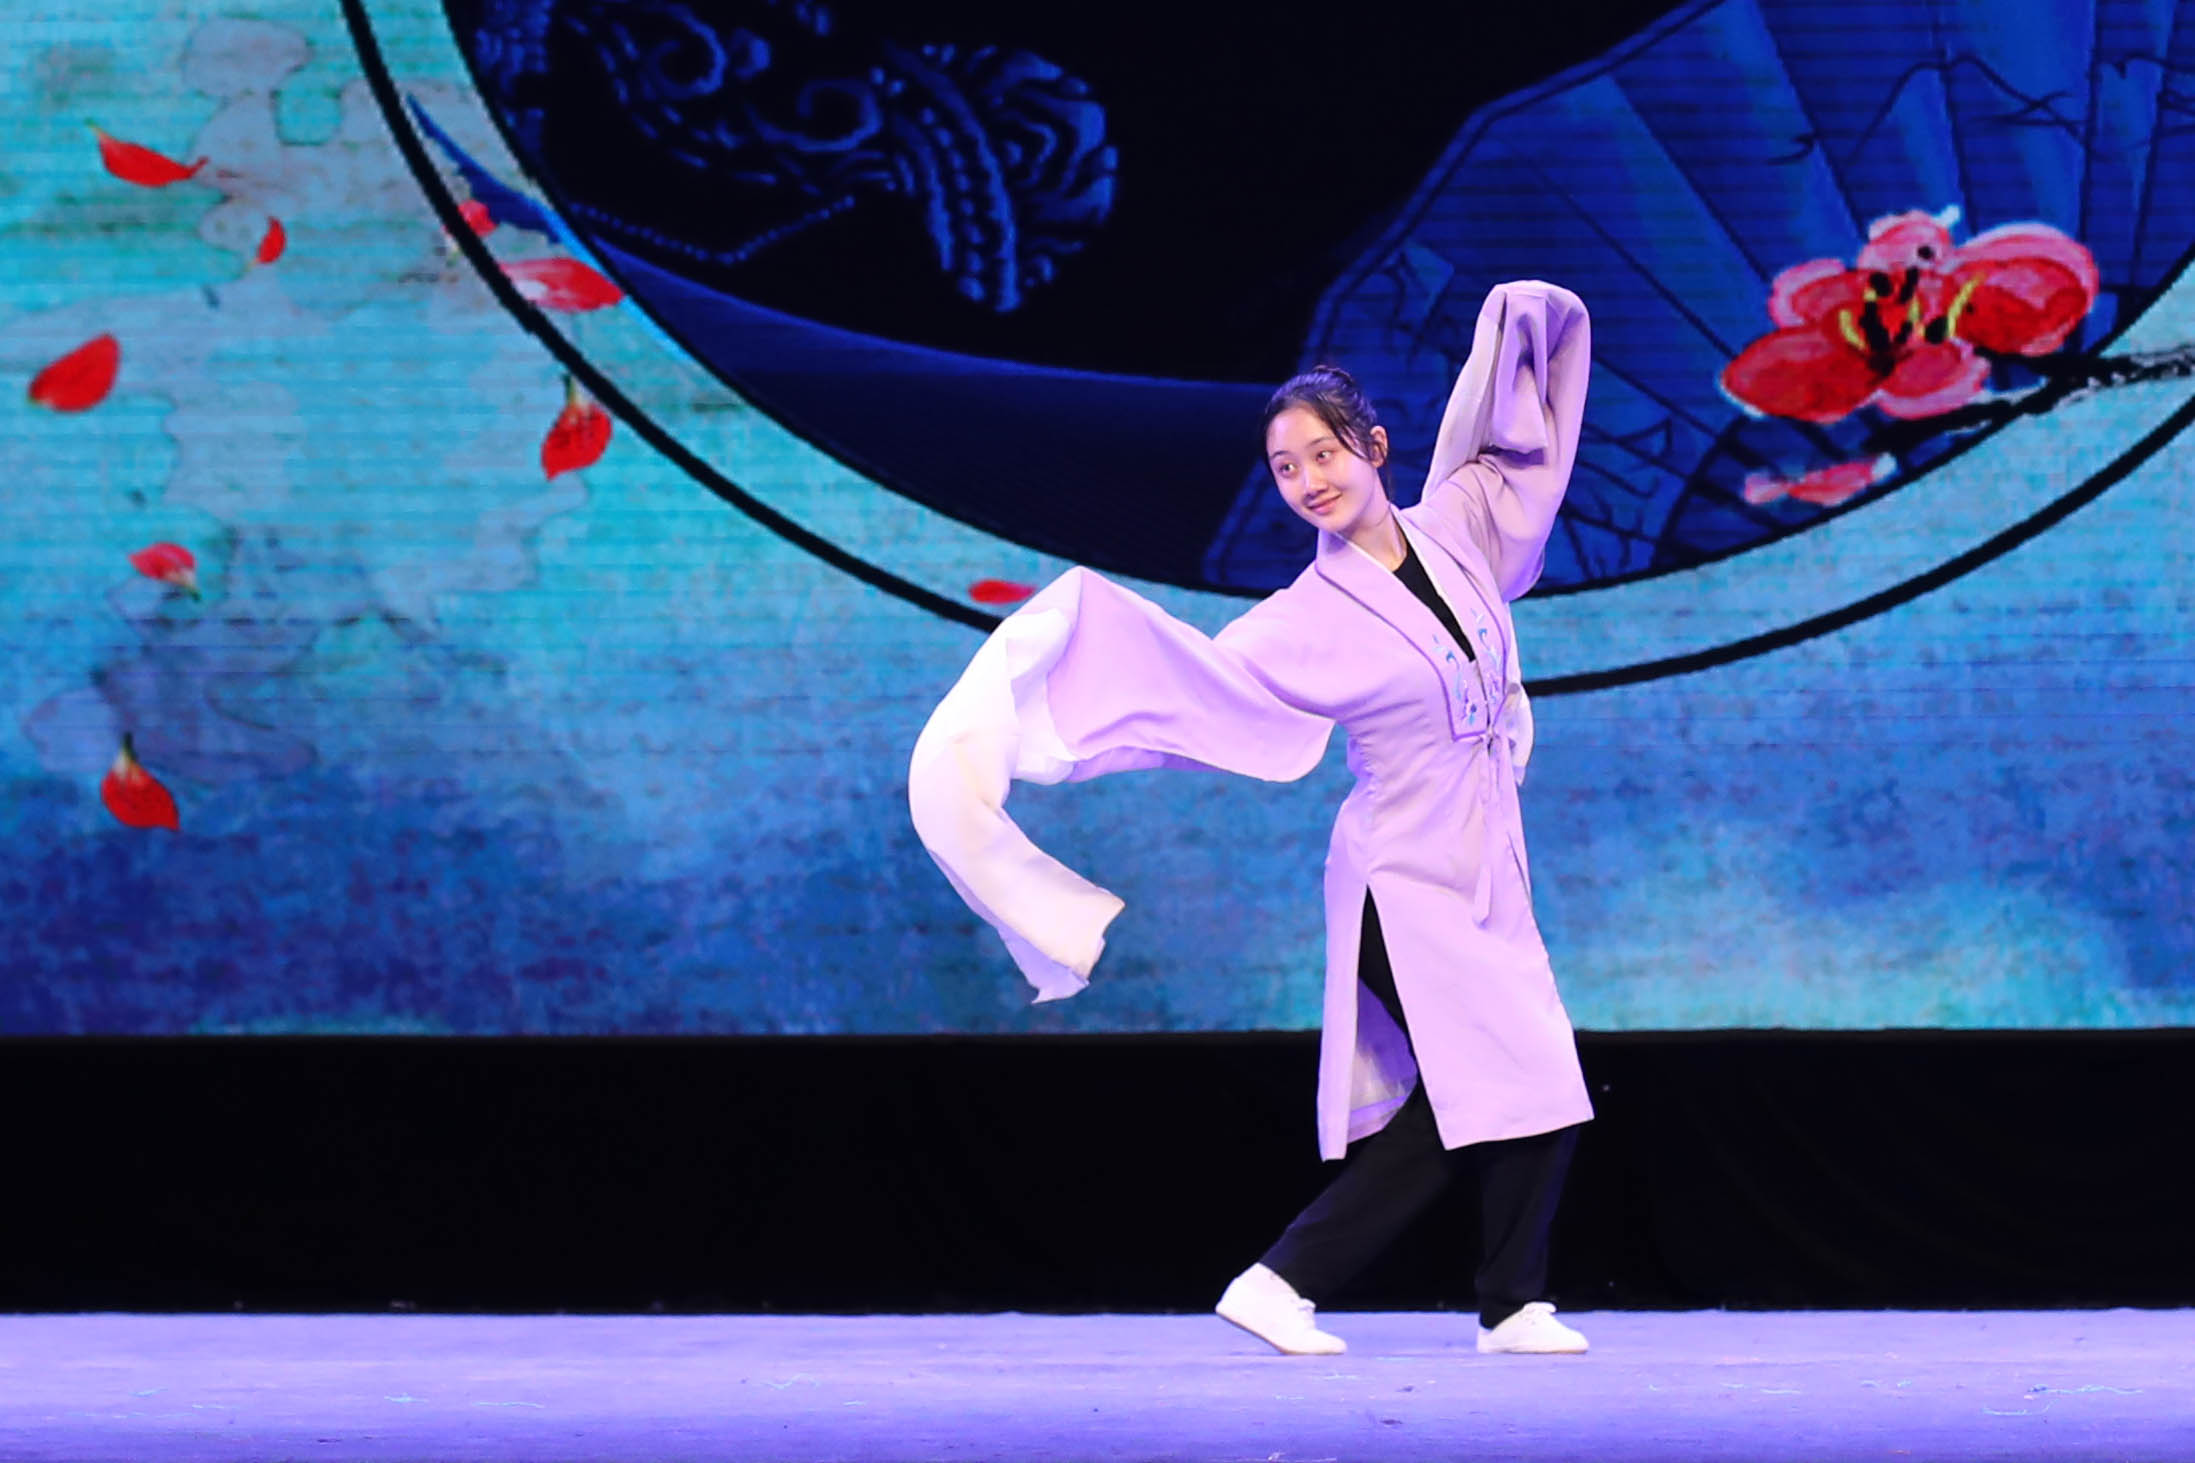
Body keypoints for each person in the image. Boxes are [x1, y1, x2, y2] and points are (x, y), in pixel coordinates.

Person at [908, 280, 1595, 1357]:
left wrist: (1526, 320)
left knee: (1536, 1074)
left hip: (1485, 864)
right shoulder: (1298, 620)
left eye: (1324, 453)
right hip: (1400, 877)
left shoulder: (1458, 528)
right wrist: (1043, 690)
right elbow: (1192, 685)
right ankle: (1286, 1280)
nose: (1309, 480)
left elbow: (1518, 448)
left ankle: (1509, 1301)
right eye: (1285, 468)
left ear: (1374, 447)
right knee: (1492, 1080)